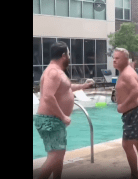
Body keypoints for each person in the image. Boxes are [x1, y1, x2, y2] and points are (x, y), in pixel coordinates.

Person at [34, 41, 93, 179]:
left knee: (58, 155)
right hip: (52, 120)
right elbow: (48, 97)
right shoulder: (53, 72)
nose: (69, 57)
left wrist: (84, 86)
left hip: (53, 120)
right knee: (55, 156)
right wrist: (63, 116)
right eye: (69, 54)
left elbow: (67, 88)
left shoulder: (56, 72)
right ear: (63, 55)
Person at [113, 48, 138, 179]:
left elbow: (136, 91)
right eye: (114, 58)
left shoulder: (127, 74)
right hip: (135, 111)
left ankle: (134, 174)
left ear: (125, 60)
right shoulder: (125, 72)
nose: (114, 60)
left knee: (127, 144)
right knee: (136, 142)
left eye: (117, 58)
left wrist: (123, 105)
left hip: (135, 111)